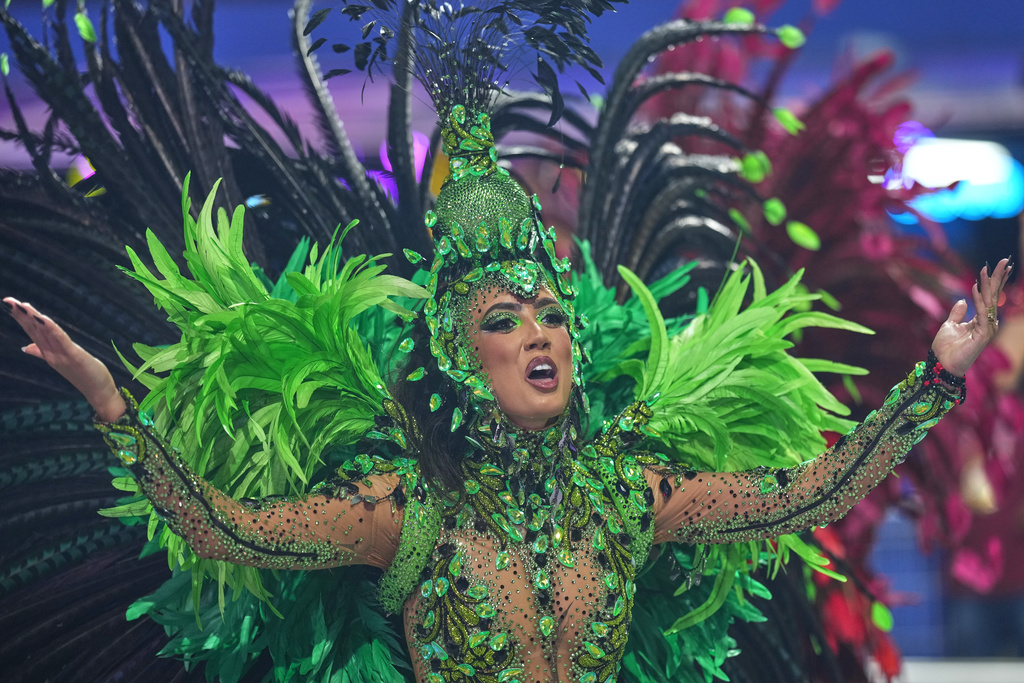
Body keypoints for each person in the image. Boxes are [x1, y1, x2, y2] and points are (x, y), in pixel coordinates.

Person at [4, 195, 1011, 683]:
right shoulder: (405, 507)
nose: (539, 330)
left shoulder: (627, 491)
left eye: (550, 313)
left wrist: (938, 377)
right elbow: (229, 530)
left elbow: (809, 494)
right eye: (504, 317)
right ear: (455, 354)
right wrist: (111, 405)